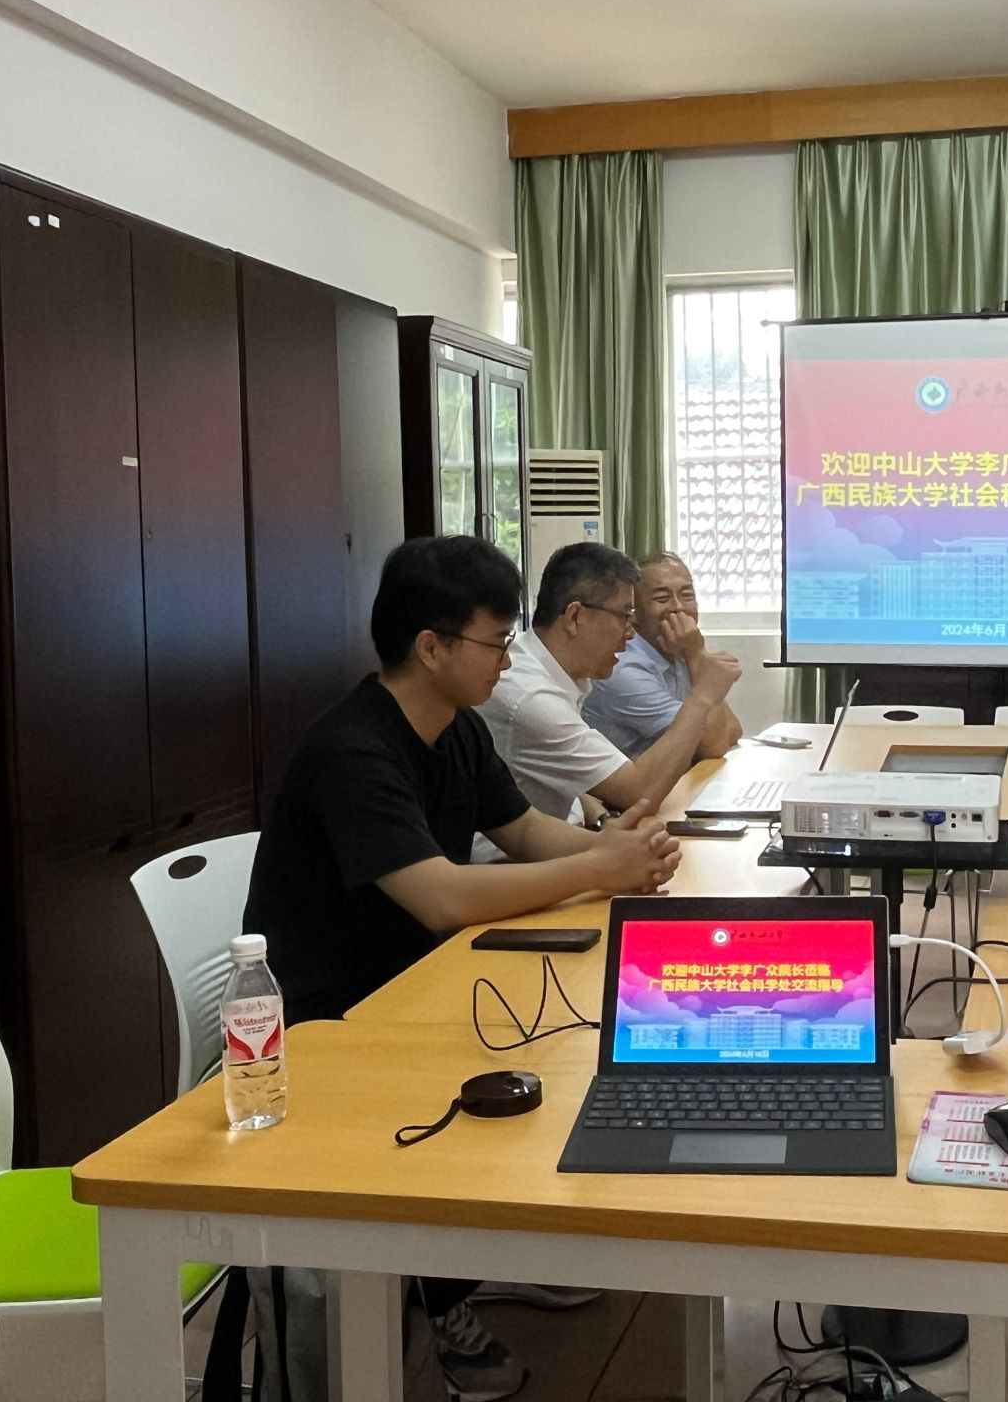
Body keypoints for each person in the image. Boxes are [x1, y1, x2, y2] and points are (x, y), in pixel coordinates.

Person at [240, 534, 680, 1402]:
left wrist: (619, 854)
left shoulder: (459, 731)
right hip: (334, 1021)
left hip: (418, 983)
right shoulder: (354, 748)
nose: (508, 659)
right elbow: (441, 897)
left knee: (569, 1034)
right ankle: (435, 1296)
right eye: (496, 641)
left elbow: (526, 834)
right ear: (431, 647)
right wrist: (599, 866)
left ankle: (465, 1267)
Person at [481, 542, 742, 832]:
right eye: (624, 614)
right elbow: (640, 793)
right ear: (575, 617)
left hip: (567, 834)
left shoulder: (555, 668)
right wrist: (703, 695)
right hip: (517, 856)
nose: (630, 632)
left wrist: (597, 817)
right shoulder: (531, 696)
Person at [582, 550, 743, 757]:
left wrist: (694, 656)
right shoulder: (623, 669)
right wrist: (697, 653)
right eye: (662, 598)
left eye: (687, 596)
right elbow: (714, 744)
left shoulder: (678, 649)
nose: (678, 608)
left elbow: (733, 730)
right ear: (633, 613)